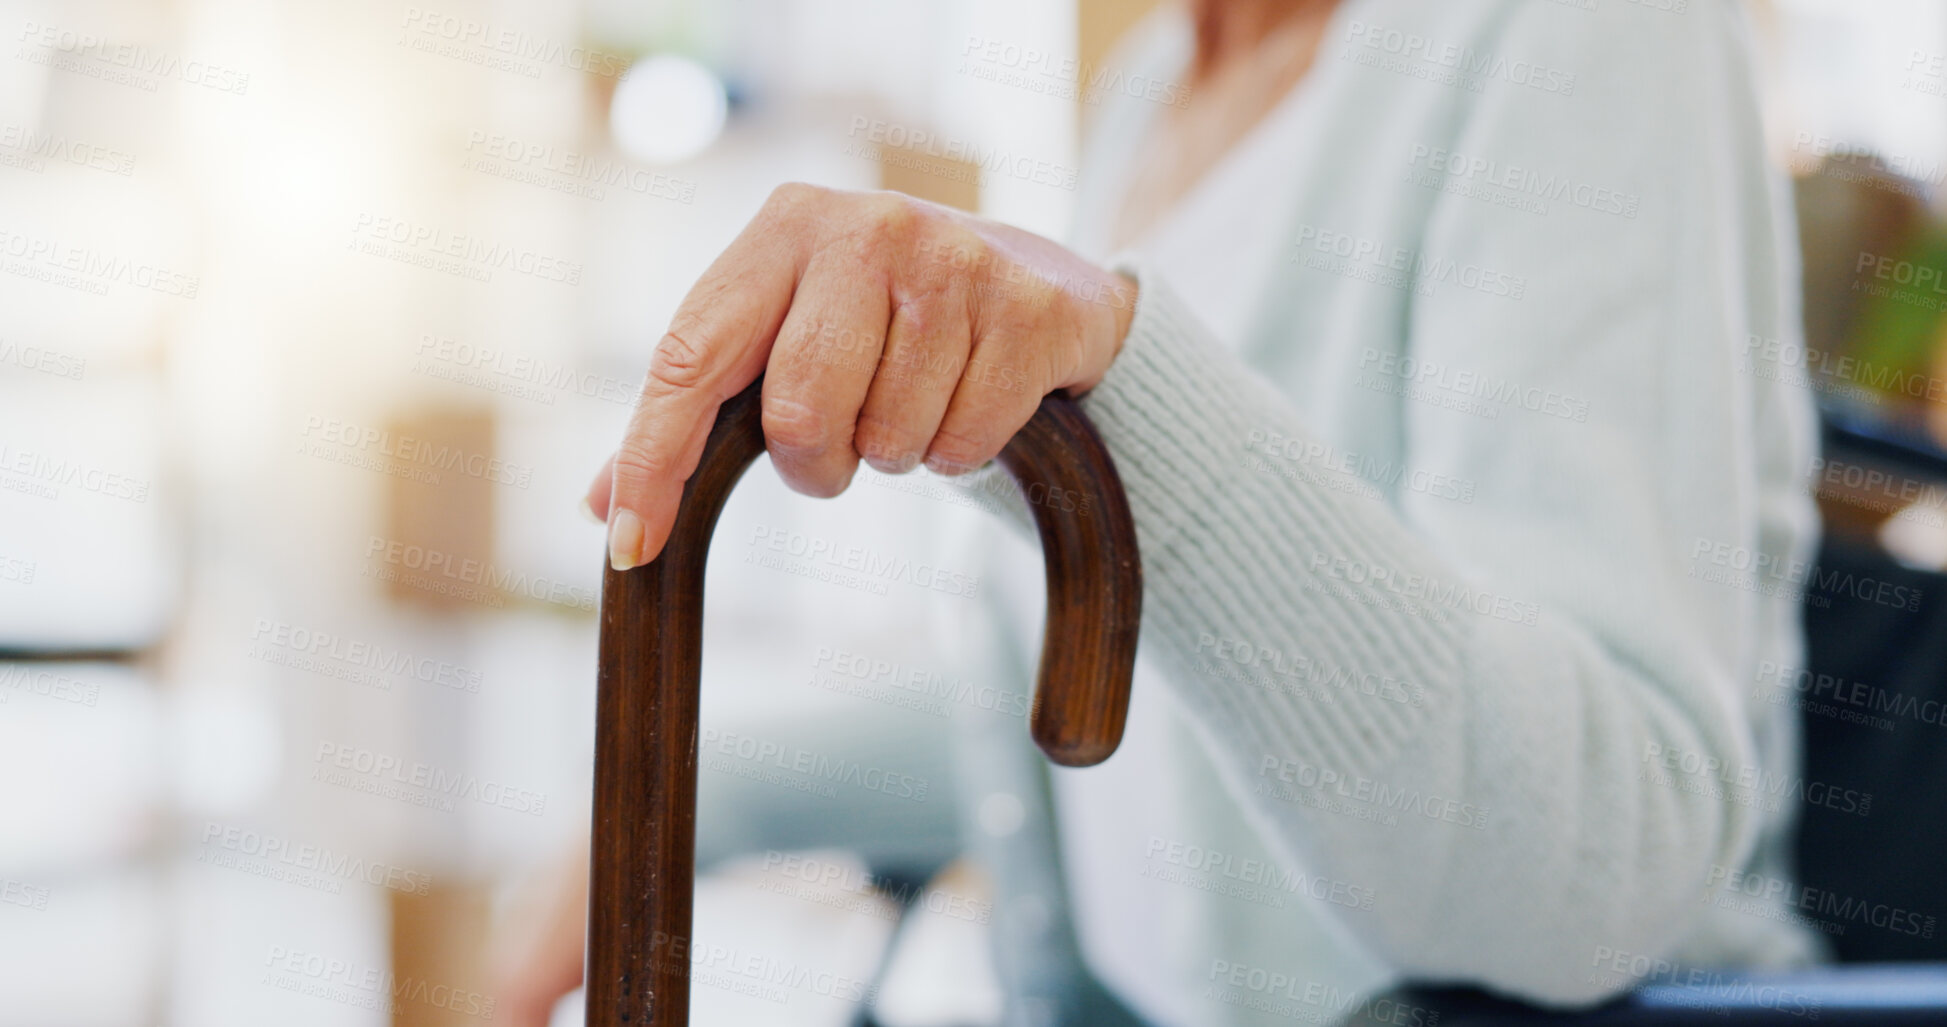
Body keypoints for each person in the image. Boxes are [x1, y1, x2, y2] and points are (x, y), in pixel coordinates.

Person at [508, 0, 1823, 1021]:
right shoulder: (1153, 86)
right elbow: (1107, 720)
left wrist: (1120, 393)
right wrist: (672, 803)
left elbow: (1593, 868)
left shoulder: (1585, 34)